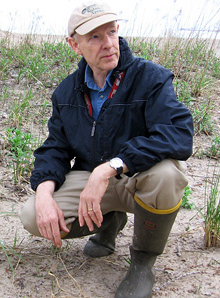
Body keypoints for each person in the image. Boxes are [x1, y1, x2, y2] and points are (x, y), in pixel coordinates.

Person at [19, 2, 193, 297]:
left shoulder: (150, 78)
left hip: (135, 179)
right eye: (95, 37)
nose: (108, 44)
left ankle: (142, 265)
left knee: (168, 174)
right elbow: (55, 148)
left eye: (111, 32)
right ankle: (109, 221)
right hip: (92, 185)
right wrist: (44, 194)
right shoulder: (66, 92)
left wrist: (110, 167)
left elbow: (178, 134)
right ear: (74, 44)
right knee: (31, 215)